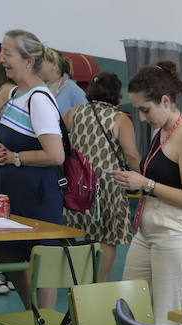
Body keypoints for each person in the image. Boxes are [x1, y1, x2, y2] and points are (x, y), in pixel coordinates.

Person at [107, 60, 182, 325]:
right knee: (127, 308)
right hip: (148, 230)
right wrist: (133, 181)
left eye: (144, 110)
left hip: (175, 233)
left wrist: (147, 184)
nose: (141, 118)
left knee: (166, 317)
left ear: (165, 100)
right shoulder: (161, 131)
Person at [0, 29, 65, 318]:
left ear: (29, 61)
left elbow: (55, 154)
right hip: (14, 193)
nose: (0, 59)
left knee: (41, 261)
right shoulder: (14, 94)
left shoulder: (39, 99)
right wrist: (1, 152)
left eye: (8, 53)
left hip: (38, 194)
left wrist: (15, 157)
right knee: (6, 252)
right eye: (1, 51)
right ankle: (32, 316)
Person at [62, 72, 139, 284]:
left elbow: (60, 140)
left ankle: (80, 279)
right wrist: (144, 177)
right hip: (108, 185)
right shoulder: (120, 119)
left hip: (78, 184)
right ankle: (100, 281)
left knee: (83, 233)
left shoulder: (74, 112)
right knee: (107, 238)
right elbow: (131, 154)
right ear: (116, 93)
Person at [40, 50, 86, 115]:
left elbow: (85, 116)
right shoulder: (38, 86)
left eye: (41, 61)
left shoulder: (73, 90)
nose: (36, 65)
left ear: (54, 66)